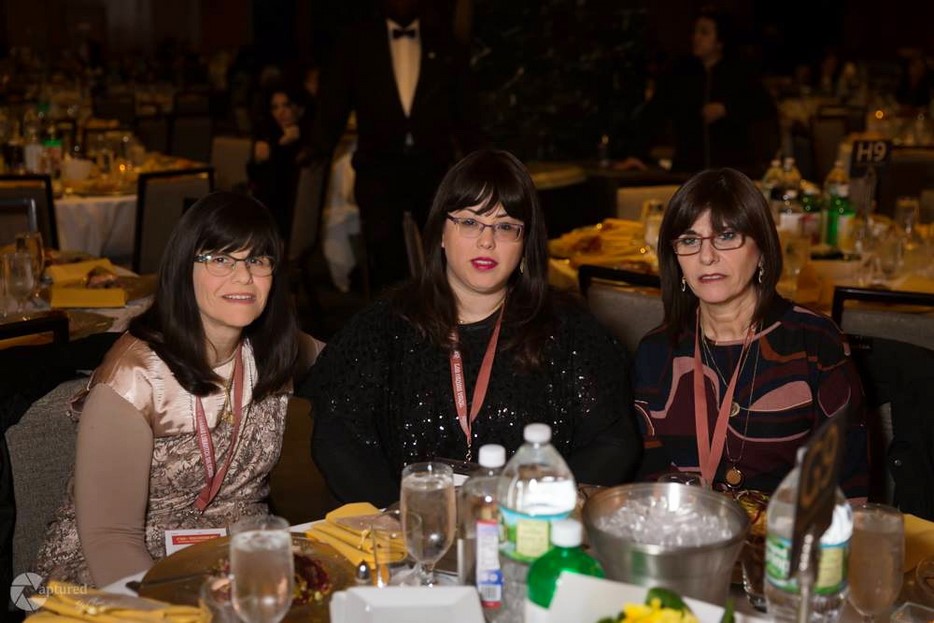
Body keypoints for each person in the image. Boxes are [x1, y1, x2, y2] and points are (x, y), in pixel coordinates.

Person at [299, 149, 642, 507]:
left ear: (525, 242)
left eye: (506, 227)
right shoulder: (386, 324)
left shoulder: (568, 329)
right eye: (469, 222)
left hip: (529, 528)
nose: (486, 241)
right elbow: (337, 439)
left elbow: (613, 442)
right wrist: (397, 515)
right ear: (441, 233)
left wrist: (538, 508)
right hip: (414, 529)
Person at [35, 192, 324, 587]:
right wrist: (174, 605)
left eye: (258, 260)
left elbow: (356, 359)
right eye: (220, 259)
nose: (244, 276)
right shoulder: (134, 379)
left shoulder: (274, 347)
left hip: (236, 559)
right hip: (124, 569)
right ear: (184, 267)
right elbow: (110, 538)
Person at [632, 168, 868, 497]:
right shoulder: (657, 351)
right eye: (689, 240)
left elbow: (847, 485)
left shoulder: (813, 342)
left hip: (789, 527)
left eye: (727, 236)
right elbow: (646, 483)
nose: (706, 256)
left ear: (762, 249)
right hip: (685, 525)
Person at [310, 0, 484, 292]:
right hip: (378, 168)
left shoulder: (444, 42)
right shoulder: (358, 42)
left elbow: (464, 108)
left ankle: (439, 313)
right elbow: (334, 103)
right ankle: (389, 315)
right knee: (384, 256)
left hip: (432, 167)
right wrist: (316, 148)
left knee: (441, 251)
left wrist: (479, 158)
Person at [619, 7, 778, 178]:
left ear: (720, 41)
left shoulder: (740, 73)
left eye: (704, 33)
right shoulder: (680, 73)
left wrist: (727, 109)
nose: (696, 38)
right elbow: (654, 113)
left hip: (731, 171)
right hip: (688, 169)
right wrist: (636, 153)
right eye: (695, 32)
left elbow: (764, 108)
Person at [247, 81, 312, 238]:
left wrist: (278, 148)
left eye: (286, 105)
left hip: (293, 207)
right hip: (268, 204)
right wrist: (258, 159)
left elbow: (287, 179)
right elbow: (253, 175)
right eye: (275, 107)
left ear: (300, 108)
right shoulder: (270, 134)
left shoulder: (308, 138)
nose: (280, 112)